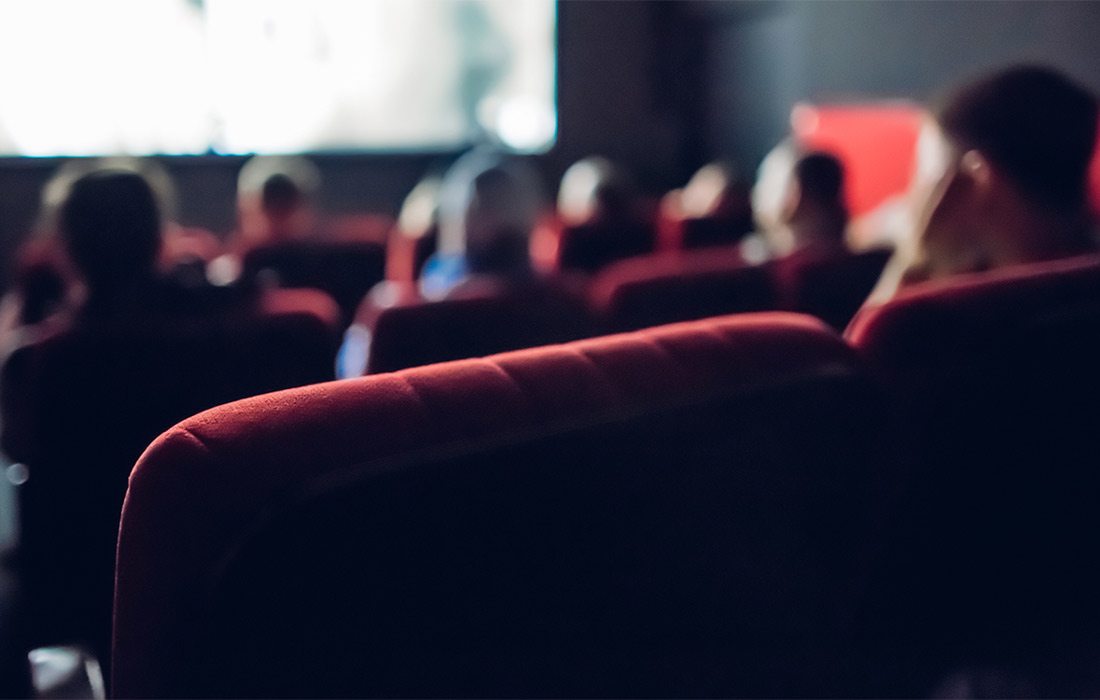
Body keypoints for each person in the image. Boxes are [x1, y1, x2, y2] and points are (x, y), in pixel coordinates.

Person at [870, 64, 1099, 302]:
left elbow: (869, 335)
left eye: (924, 175)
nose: (912, 196)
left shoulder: (964, 320)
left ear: (978, 180)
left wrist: (914, 263)